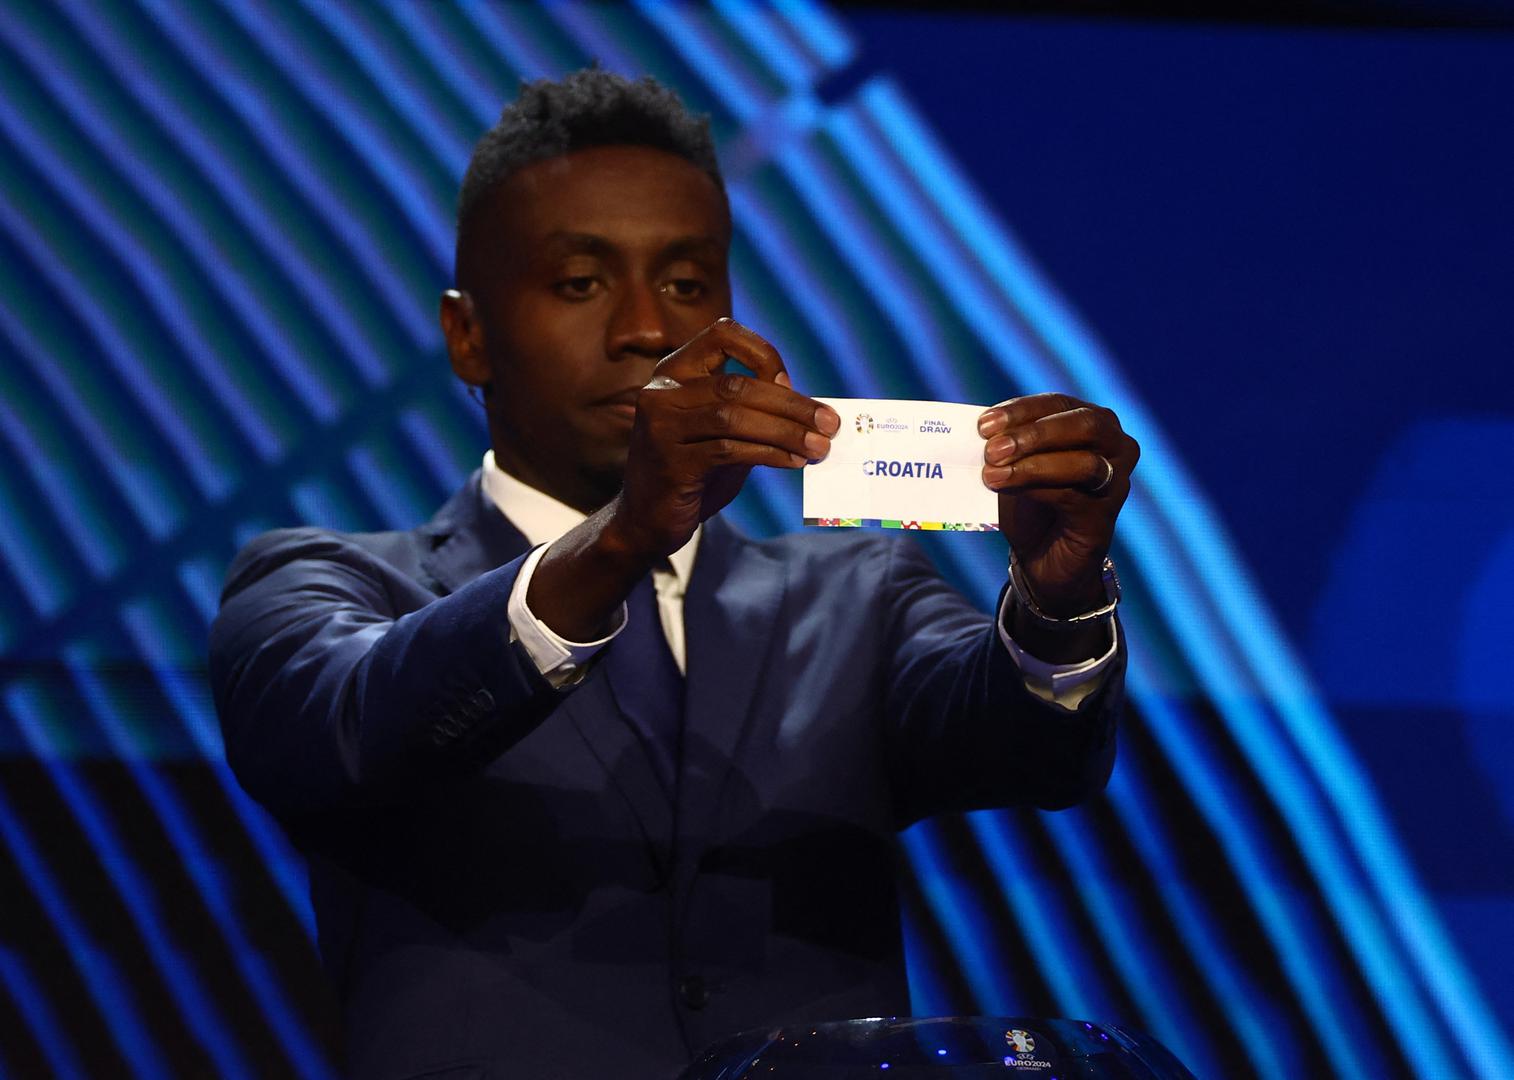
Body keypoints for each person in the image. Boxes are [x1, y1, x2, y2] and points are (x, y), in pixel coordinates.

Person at [210, 70, 1139, 1079]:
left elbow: (1030, 752)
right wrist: (620, 539)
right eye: (580, 283)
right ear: (467, 336)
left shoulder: (858, 596)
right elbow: (343, 728)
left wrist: (1056, 599)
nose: (647, 330)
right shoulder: (322, 582)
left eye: (689, 284)